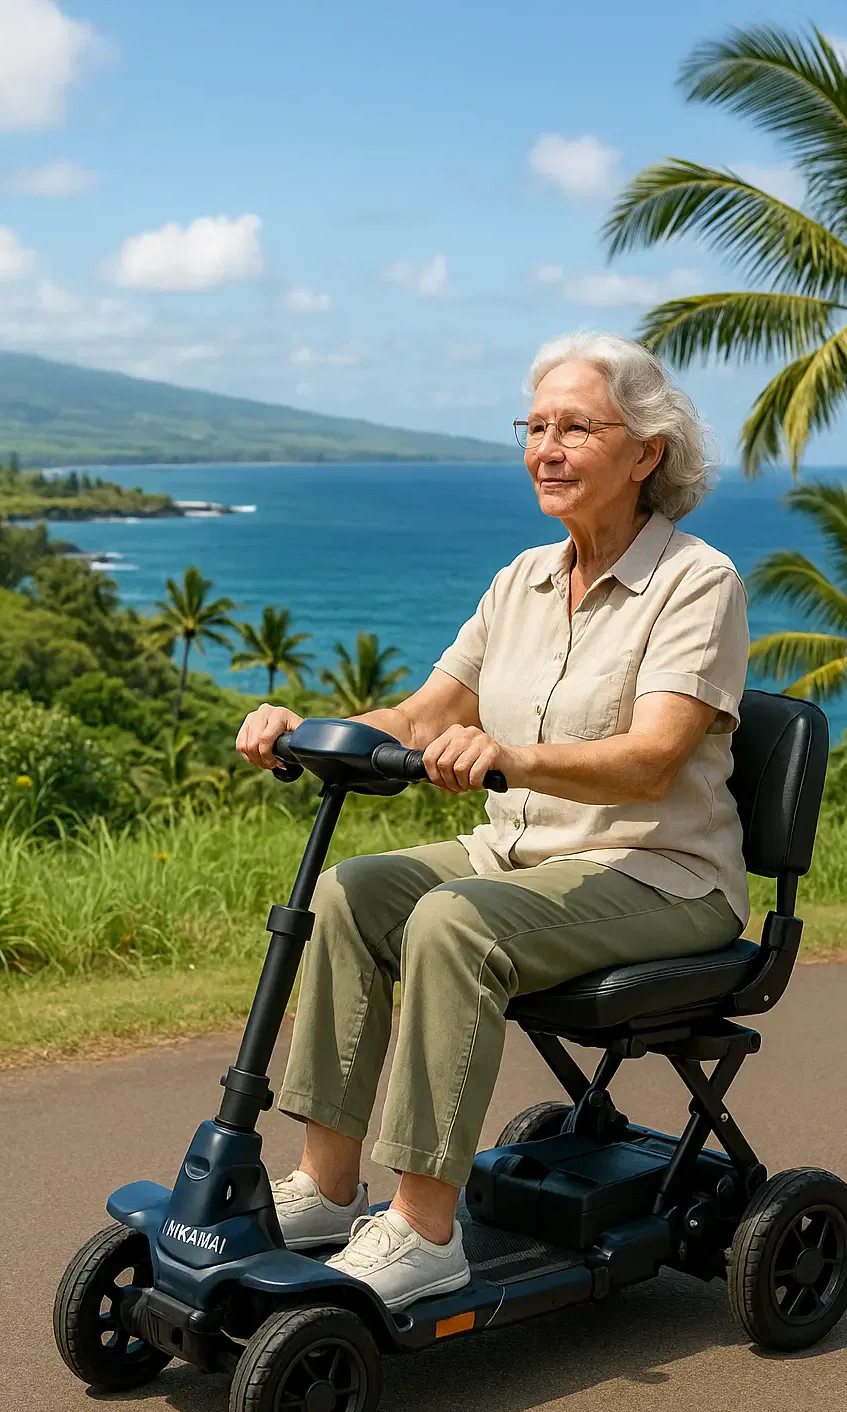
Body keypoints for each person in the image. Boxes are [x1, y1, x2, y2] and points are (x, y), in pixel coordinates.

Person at [236, 330, 749, 1310]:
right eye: (535, 427)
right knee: (351, 893)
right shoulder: (519, 581)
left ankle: (426, 1231)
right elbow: (426, 715)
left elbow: (651, 761)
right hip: (518, 860)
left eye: (574, 429)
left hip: (661, 878)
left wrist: (511, 755)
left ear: (646, 452)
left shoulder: (696, 581)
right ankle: (331, 1188)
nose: (545, 449)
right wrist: (309, 728)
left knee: (452, 921)